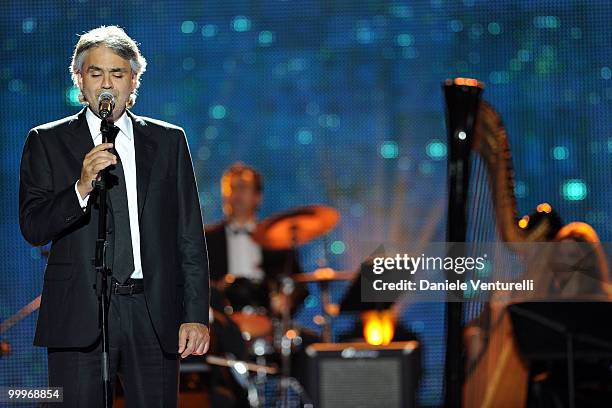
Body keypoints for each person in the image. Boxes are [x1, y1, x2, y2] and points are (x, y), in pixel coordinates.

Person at [18, 26, 210, 407]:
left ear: (133, 80)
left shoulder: (169, 141)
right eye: (95, 73)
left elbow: (189, 234)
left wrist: (195, 314)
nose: (107, 84)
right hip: (79, 312)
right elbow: (33, 227)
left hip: (151, 311)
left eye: (117, 73)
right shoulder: (46, 140)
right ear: (80, 81)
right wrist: (81, 187)